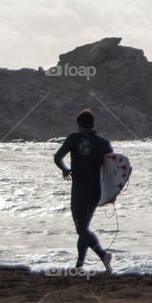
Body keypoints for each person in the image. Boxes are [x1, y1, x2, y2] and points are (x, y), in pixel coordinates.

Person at [53, 109, 114, 273]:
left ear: (79, 124)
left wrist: (65, 169)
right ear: (93, 124)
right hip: (96, 191)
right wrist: (113, 194)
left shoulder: (74, 138)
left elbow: (57, 157)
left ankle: (103, 255)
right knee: (84, 228)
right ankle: (79, 265)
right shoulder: (104, 142)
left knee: (81, 229)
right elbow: (113, 170)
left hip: (80, 190)